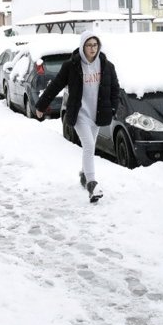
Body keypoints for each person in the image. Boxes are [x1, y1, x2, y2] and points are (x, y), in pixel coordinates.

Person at [36, 31, 119, 203]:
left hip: (97, 114)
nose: (92, 49)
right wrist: (42, 105)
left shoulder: (106, 65)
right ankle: (91, 184)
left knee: (91, 146)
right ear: (82, 46)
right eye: (89, 45)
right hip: (79, 113)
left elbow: (114, 89)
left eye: (95, 45)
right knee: (88, 145)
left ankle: (84, 174)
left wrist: (112, 108)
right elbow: (57, 84)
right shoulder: (72, 65)